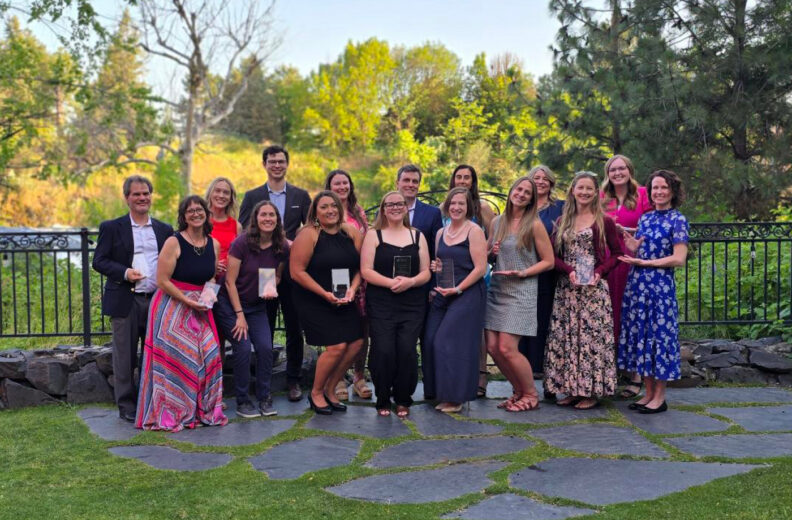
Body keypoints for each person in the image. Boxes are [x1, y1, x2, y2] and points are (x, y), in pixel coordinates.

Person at [136, 195, 227, 431]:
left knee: (211, 355)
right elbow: (162, 280)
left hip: (200, 308)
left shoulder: (214, 244)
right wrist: (187, 300)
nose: (196, 214)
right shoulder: (173, 242)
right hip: (171, 306)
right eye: (190, 211)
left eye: (199, 209)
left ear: (206, 213)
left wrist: (208, 297)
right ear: (184, 216)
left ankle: (204, 408)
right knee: (179, 358)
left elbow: (210, 277)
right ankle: (174, 411)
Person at [92, 175, 173, 422]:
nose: (142, 198)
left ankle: (152, 400)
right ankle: (126, 405)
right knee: (124, 357)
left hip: (156, 300)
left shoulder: (164, 229)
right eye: (136, 194)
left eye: (146, 193)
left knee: (154, 355)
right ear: (127, 197)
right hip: (125, 299)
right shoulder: (111, 227)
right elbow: (99, 261)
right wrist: (125, 273)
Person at [238, 145, 311, 402]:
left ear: (287, 164)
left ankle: (293, 380)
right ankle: (264, 382)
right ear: (264, 164)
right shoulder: (252, 196)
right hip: (265, 271)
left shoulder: (301, 196)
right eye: (272, 161)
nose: (277, 165)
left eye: (281, 161)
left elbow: (310, 228)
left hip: (292, 270)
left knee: (294, 327)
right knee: (264, 327)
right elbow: (244, 230)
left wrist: (295, 242)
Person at [544, 172, 622, 410]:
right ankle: (571, 389)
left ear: (596, 192)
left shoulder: (604, 221)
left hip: (593, 291)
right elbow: (552, 256)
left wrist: (600, 272)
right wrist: (568, 271)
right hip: (567, 290)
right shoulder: (563, 221)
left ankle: (591, 392)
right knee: (568, 338)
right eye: (581, 188)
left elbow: (617, 254)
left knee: (591, 340)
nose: (585, 192)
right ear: (573, 190)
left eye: (589, 189)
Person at [618, 170, 689, 414]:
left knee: (659, 338)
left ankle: (660, 397)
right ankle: (648, 393)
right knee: (642, 337)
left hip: (660, 287)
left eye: (663, 187)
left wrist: (647, 263)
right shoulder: (646, 218)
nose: (658, 192)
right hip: (638, 285)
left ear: (673, 191)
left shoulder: (678, 219)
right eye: (655, 188)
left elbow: (679, 258)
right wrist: (631, 244)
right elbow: (639, 249)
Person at [290, 191, 364, 415]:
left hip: (343, 298)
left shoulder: (351, 232)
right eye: (324, 207)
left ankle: (331, 390)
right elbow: (297, 271)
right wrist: (324, 294)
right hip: (315, 300)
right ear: (315, 211)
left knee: (356, 343)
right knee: (337, 346)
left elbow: (361, 267)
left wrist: (353, 289)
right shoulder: (308, 234)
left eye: (333, 206)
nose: (330, 210)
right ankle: (316, 392)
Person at [485, 177, 554, 412]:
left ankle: (531, 394)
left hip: (521, 292)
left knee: (507, 348)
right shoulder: (497, 222)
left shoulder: (533, 224)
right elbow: (488, 256)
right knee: (492, 347)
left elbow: (548, 261)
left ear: (531, 199)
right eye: (519, 189)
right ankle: (518, 391)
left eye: (527, 192)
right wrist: (492, 253)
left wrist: (524, 272)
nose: (521, 194)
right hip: (497, 289)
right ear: (511, 190)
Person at [214, 201, 287, 418]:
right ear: (256, 218)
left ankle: (264, 397)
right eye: (263, 214)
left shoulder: (281, 246)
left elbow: (277, 275)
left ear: (277, 219)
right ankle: (243, 401)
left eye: (272, 215)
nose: (268, 219)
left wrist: (270, 286)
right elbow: (229, 281)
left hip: (256, 306)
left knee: (265, 348)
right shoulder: (242, 243)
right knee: (243, 347)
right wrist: (239, 315)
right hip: (229, 303)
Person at [360, 191, 430, 417]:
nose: (395, 207)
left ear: (406, 208)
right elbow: (366, 271)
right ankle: (382, 398)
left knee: (407, 350)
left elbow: (426, 272)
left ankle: (403, 398)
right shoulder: (374, 235)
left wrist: (411, 282)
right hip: (382, 302)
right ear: (383, 209)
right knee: (384, 350)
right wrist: (391, 283)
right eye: (390, 204)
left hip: (412, 303)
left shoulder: (417, 236)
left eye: (399, 204)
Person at [424, 187, 488, 413]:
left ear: (468, 207)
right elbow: (441, 263)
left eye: (461, 203)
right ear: (447, 206)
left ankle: (456, 398)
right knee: (430, 339)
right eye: (453, 203)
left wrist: (459, 289)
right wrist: (437, 268)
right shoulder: (441, 233)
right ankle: (438, 392)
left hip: (467, 293)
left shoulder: (474, 231)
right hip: (444, 292)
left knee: (447, 340)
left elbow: (480, 268)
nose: (456, 207)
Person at [600, 154, 653, 399]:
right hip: (607, 262)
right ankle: (608, 373)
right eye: (613, 169)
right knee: (608, 314)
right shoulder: (602, 197)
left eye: (622, 168)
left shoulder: (643, 195)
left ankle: (635, 376)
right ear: (607, 174)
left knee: (632, 316)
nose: (617, 173)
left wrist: (628, 231)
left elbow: (651, 227)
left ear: (629, 170)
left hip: (633, 262)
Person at [447, 164, 495, 398]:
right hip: (450, 276)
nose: (463, 181)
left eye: (467, 177)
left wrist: (485, 253)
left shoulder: (481, 207)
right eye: (459, 177)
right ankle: (458, 374)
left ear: (473, 182)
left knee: (478, 328)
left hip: (476, 274)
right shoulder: (446, 208)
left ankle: (481, 374)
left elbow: (494, 236)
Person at [395, 164, 443, 399]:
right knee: (399, 342)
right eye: (406, 180)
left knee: (427, 339)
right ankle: (399, 386)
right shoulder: (388, 208)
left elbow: (438, 253)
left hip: (423, 286)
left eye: (415, 181)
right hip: (393, 286)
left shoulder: (431, 214)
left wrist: (434, 286)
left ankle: (431, 389)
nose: (410, 185)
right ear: (397, 183)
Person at [325, 169, 372, 401]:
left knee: (362, 330)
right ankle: (339, 378)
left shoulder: (358, 211)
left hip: (359, 278)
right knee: (338, 329)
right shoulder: (324, 211)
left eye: (345, 183)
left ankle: (359, 377)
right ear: (329, 188)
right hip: (333, 278)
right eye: (337, 184)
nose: (342, 187)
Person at [520, 165, 565, 399]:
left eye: (545, 178)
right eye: (536, 178)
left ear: (551, 182)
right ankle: (522, 381)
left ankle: (550, 381)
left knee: (548, 326)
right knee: (522, 327)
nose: (540, 181)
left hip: (550, 273)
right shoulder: (521, 207)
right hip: (521, 274)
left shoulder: (561, 208)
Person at [206, 176, 243, 279]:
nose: (221, 195)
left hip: (227, 280)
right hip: (203, 279)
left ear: (231, 198)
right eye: (217, 191)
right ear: (210, 194)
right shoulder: (200, 221)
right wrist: (212, 265)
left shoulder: (236, 226)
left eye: (226, 192)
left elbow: (240, 256)